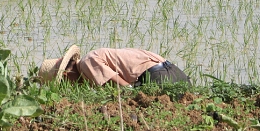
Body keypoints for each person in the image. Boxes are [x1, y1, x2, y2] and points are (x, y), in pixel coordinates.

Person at [38, 45, 191, 87]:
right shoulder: (98, 55)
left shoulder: (87, 63)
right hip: (177, 73)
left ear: (66, 75)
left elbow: (126, 88)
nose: (73, 88)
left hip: (159, 78)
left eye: (66, 85)